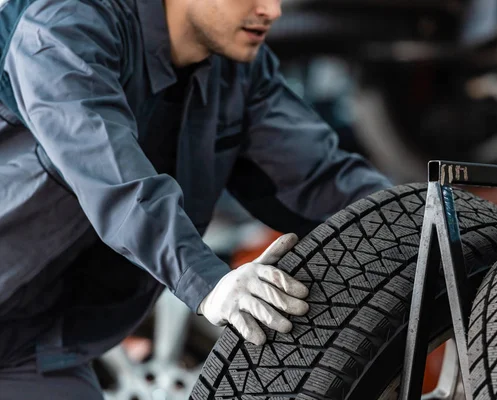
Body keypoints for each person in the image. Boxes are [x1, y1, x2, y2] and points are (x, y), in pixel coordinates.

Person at [0, 0, 393, 397]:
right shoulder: (64, 24)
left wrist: (432, 223)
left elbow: (322, 183)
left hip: (32, 351)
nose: (272, 11)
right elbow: (111, 178)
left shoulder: (237, 73)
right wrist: (206, 281)